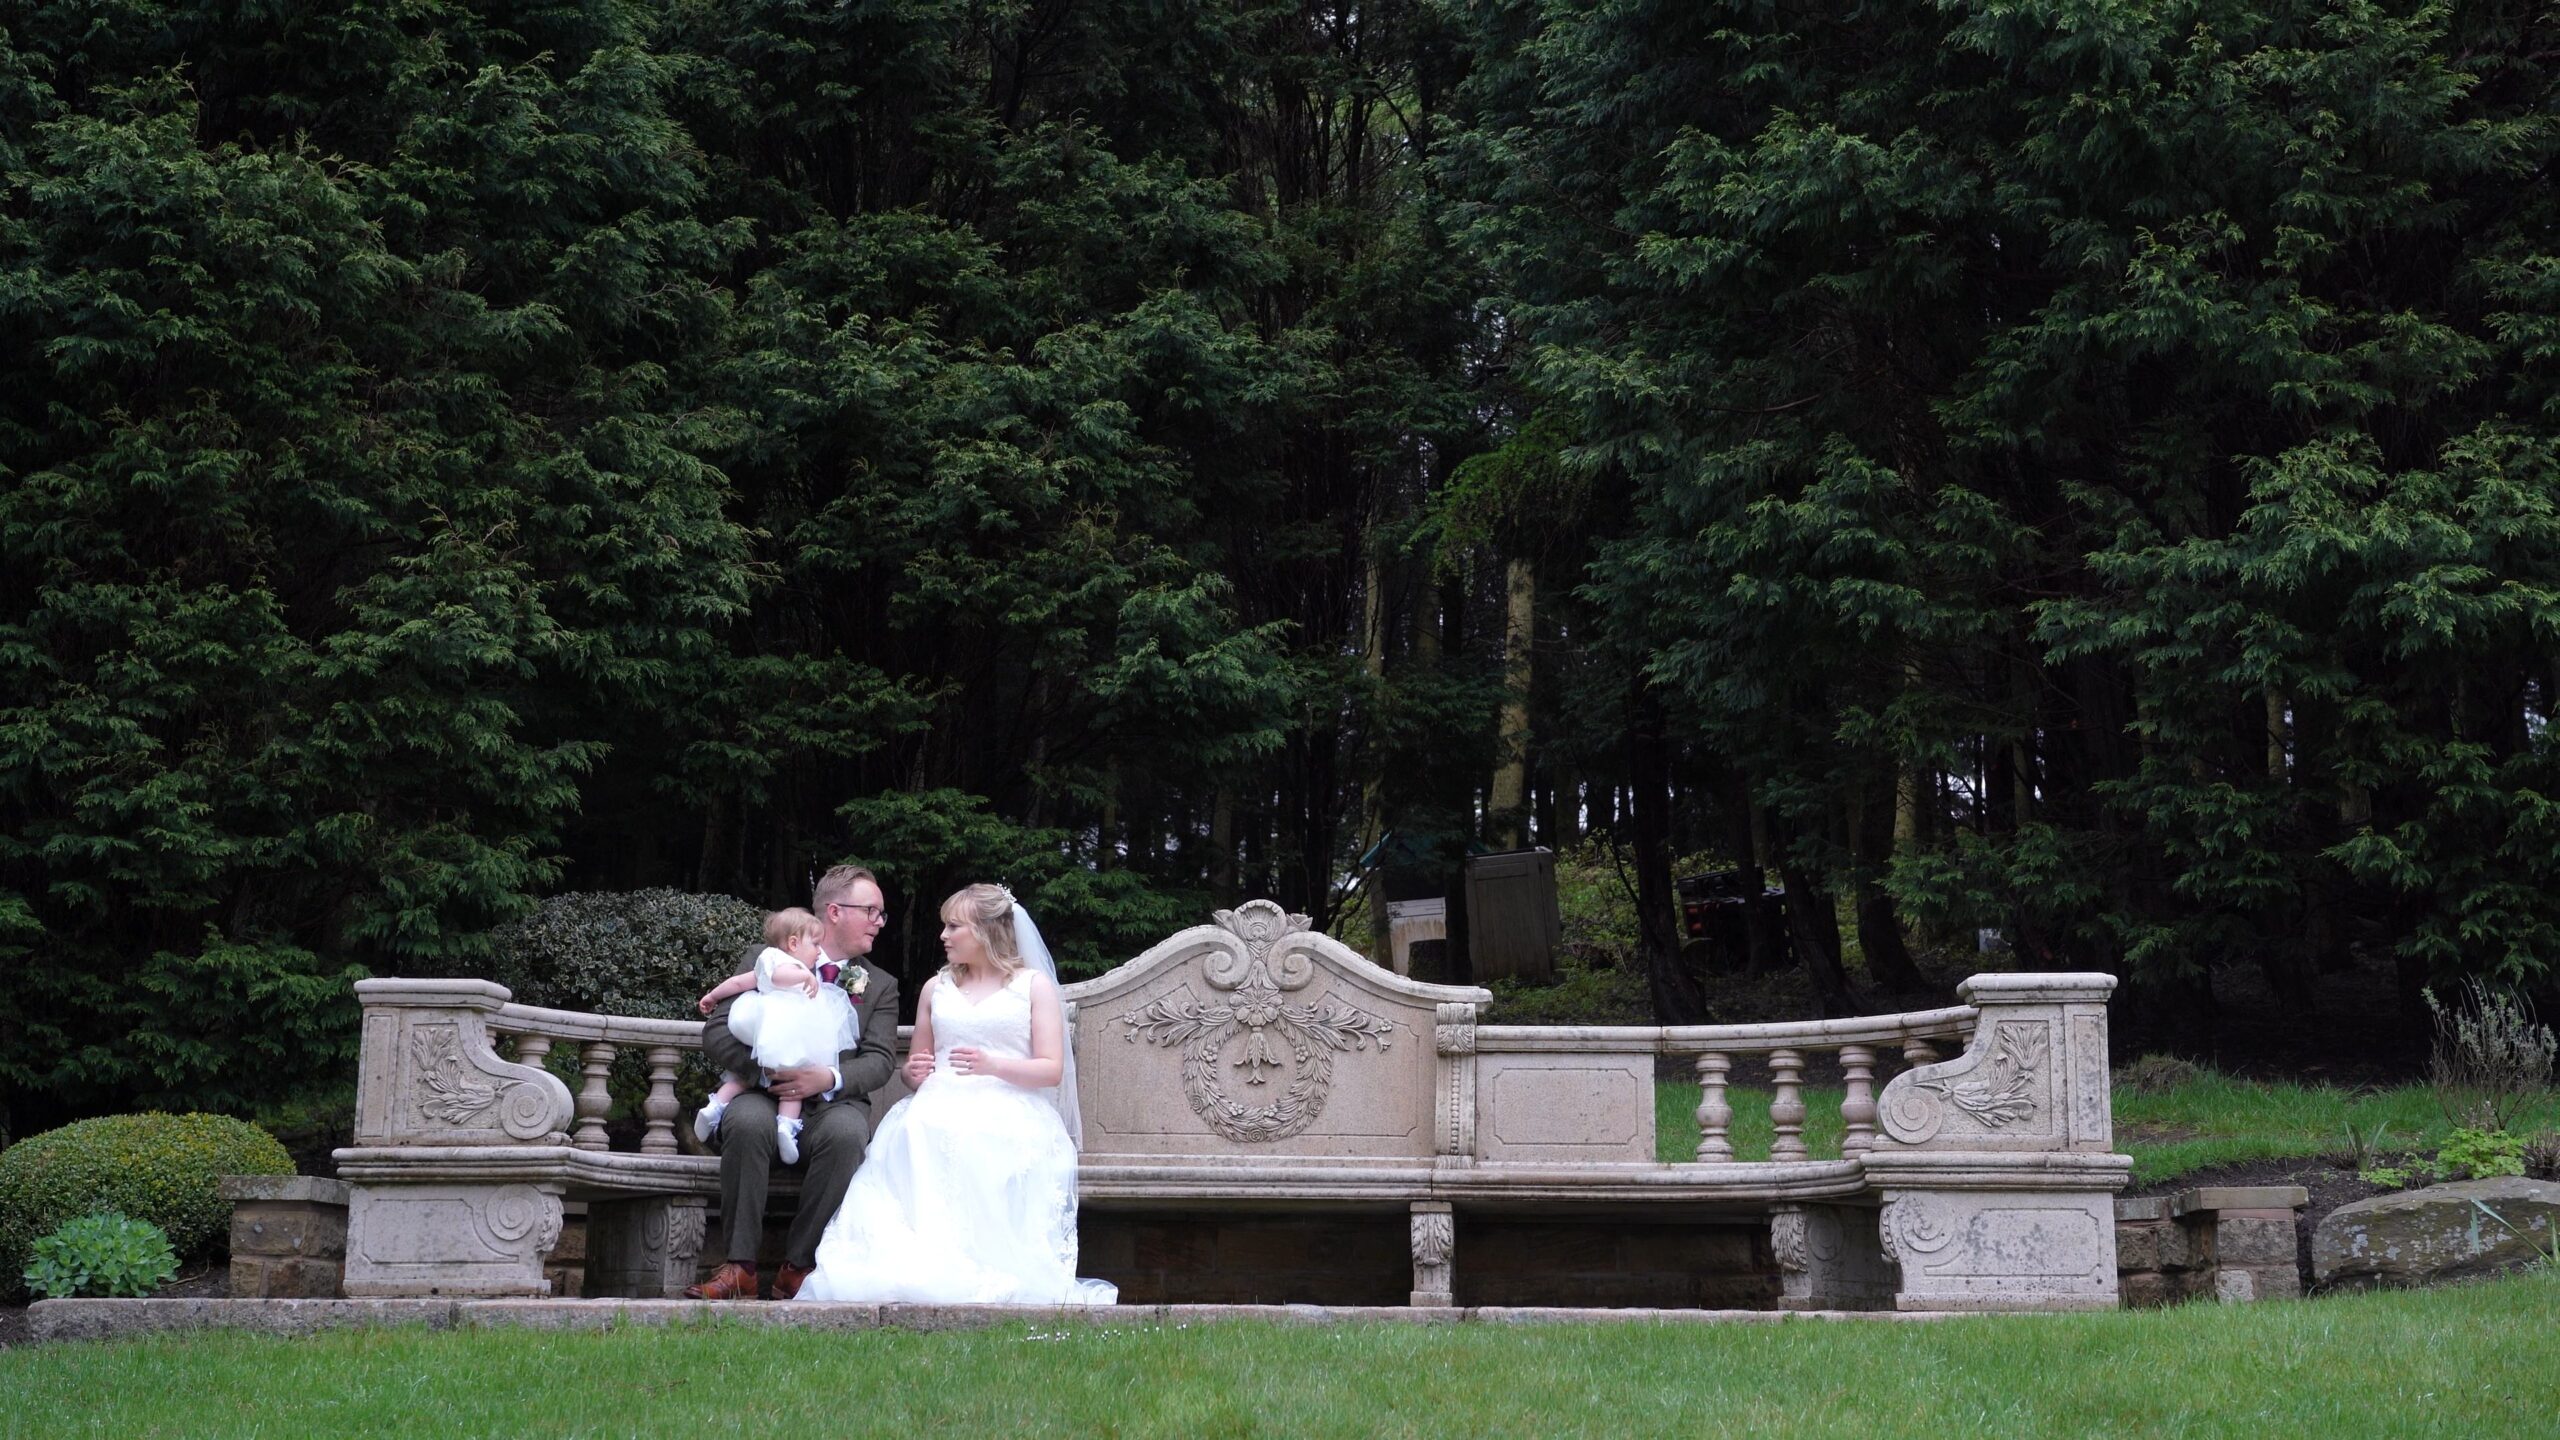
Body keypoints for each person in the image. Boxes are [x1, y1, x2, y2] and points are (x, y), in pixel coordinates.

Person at [793, 883, 1115, 1305]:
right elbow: (919, 1066)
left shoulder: (1031, 986)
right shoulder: (936, 987)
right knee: (916, 1133)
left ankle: (978, 1265)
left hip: (1010, 1106)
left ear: (985, 931)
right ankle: (920, 1263)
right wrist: (913, 1072)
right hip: (939, 1103)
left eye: (954, 926)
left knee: (980, 1140)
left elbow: (1051, 1069)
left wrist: (994, 1065)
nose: (943, 936)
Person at [684, 865, 901, 1302]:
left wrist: (828, 1078)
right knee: (744, 1122)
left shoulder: (879, 985)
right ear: (834, 912)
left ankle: (799, 1267)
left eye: (881, 914)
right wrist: (766, 1073)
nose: (880, 921)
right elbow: (718, 1031)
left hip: (833, 1103)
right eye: (872, 911)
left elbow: (879, 1060)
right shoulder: (765, 956)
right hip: (762, 1093)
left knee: (847, 1135)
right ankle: (739, 1268)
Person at [692, 907, 856, 1165]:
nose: (818, 951)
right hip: (776, 1029)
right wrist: (804, 975)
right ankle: (784, 1124)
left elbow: (737, 984)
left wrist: (713, 996)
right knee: (787, 1086)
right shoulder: (775, 960)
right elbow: (779, 976)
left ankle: (723, 1109)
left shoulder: (787, 964)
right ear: (793, 943)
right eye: (814, 944)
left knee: (770, 1083)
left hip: (783, 1033)